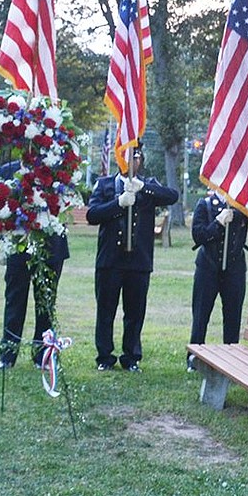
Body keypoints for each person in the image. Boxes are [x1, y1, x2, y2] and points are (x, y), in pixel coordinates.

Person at [87, 147, 179, 371]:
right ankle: (105, 357)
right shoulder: (106, 184)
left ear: (141, 161)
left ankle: (131, 357)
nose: (130, 162)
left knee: (135, 312)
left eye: (135, 157)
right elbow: (92, 215)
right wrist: (118, 203)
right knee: (106, 311)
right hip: (110, 259)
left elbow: (172, 196)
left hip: (138, 260)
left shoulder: (148, 185)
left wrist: (143, 188)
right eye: (125, 156)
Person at [0, 161, 70, 369]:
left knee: (45, 302)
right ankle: (8, 355)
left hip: (50, 245)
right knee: (14, 300)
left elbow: (65, 205)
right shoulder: (7, 170)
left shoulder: (56, 170)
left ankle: (42, 355)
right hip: (18, 245)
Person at [189, 190, 248, 361]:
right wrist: (218, 222)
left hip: (234, 268)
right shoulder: (205, 205)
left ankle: (230, 357)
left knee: (233, 315)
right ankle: (194, 356)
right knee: (201, 314)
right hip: (208, 267)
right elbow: (198, 236)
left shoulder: (243, 205)